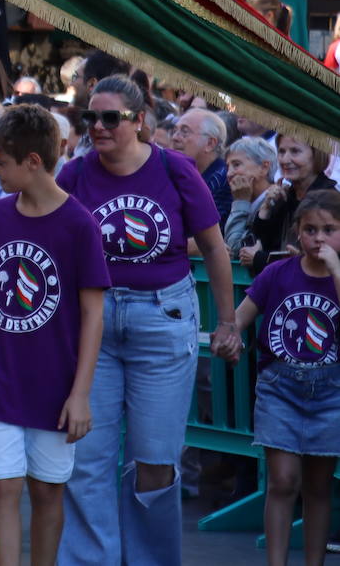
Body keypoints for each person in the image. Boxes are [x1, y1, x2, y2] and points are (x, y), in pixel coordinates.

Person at [55, 75, 240, 566]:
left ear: (139, 122)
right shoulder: (74, 175)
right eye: (89, 117)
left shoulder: (174, 169)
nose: (97, 126)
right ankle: (90, 560)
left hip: (163, 315)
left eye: (110, 117)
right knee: (86, 459)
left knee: (156, 461)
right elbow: (48, 237)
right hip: (94, 318)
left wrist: (227, 321)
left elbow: (216, 247)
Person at [0, 105, 110, 566]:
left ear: (33, 162)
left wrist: (80, 393)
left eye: (2, 163)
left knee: (46, 491)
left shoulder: (80, 224)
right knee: (1, 486)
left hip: (54, 382)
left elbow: (93, 313)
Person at [227, 189, 340, 566]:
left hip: (332, 390)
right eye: (310, 230)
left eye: (329, 230)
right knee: (283, 481)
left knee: (319, 487)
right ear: (297, 232)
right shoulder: (278, 273)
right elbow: (242, 315)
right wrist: (230, 335)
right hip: (281, 387)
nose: (318, 239)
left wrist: (336, 269)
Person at [245, 135, 337, 277]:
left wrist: (260, 259)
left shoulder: (329, 199)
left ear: (316, 155)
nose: (285, 160)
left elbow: (320, 256)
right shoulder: (285, 195)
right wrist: (266, 208)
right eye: (281, 152)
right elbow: (261, 241)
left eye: (295, 151)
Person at [169, 108, 231, 224]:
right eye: (174, 131)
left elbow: (209, 238)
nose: (175, 138)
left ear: (210, 143)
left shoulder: (223, 180)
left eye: (185, 131)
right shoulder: (172, 172)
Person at [222, 137, 278, 258]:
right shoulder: (244, 199)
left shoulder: (275, 203)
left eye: (236, 165)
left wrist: (240, 202)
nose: (229, 173)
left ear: (264, 168)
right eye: (227, 167)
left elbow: (236, 250)